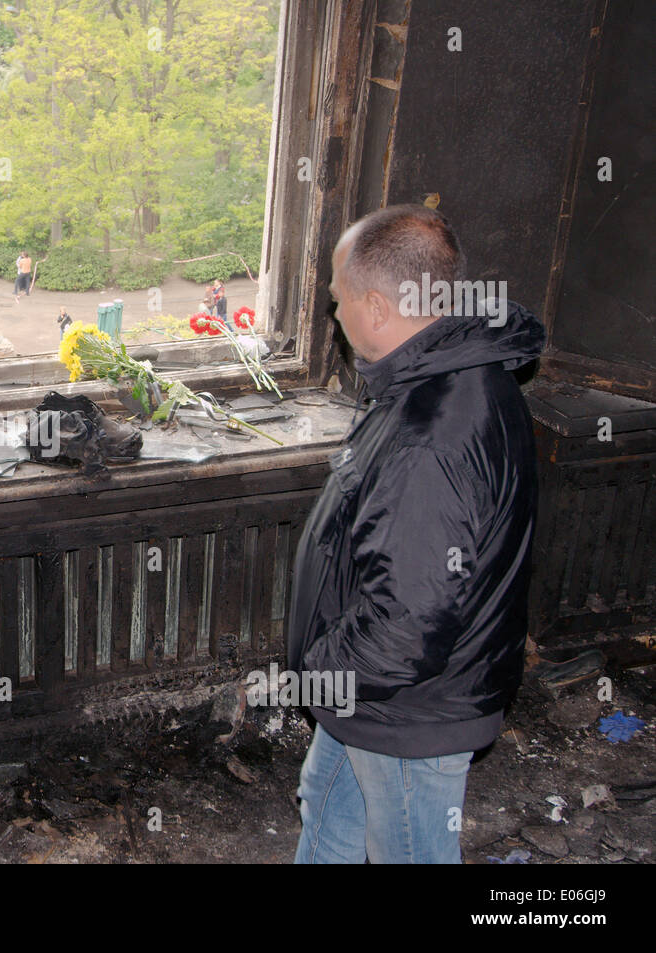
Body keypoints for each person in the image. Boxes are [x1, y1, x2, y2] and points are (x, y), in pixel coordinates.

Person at [287, 204, 545, 864]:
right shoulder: (455, 374)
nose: (333, 313)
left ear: (375, 305)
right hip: (376, 698)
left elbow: (405, 629)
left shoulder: (428, 436)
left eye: (337, 299)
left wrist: (316, 672)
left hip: (408, 710)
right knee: (327, 805)